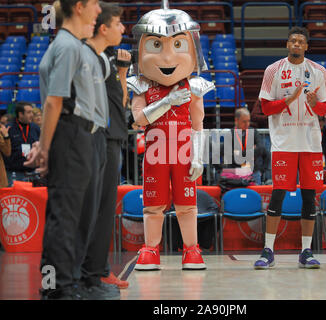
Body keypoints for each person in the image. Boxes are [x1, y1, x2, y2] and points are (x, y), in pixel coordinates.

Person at [24, 0, 102, 300]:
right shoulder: (68, 47)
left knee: (66, 215)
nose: (98, 11)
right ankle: (59, 289)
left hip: (71, 134)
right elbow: (54, 101)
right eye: (95, 4)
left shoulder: (64, 43)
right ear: (79, 7)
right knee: (65, 217)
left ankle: (58, 285)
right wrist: (43, 147)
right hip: (71, 134)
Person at [128, 0, 214, 270]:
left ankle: (191, 250)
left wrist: (199, 157)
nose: (167, 58)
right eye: (156, 46)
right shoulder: (141, 85)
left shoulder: (195, 86)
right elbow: (138, 119)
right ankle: (151, 249)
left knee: (187, 205)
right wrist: (167, 102)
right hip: (155, 150)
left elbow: (199, 124)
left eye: (177, 45)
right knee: (153, 205)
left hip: (184, 150)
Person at [254, 26, 326, 269]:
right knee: (278, 194)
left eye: (301, 41)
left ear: (307, 46)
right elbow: (266, 109)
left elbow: (325, 111)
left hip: (310, 143)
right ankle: (268, 250)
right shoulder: (273, 70)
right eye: (293, 41)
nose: (297, 44)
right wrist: (289, 99)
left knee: (309, 197)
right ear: (287, 44)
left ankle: (306, 251)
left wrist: (314, 103)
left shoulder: (318, 71)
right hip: (284, 142)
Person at [79, 2, 130, 291]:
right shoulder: (91, 57)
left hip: (113, 138)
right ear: (103, 27)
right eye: (119, 23)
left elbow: (119, 101)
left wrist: (123, 72)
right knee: (97, 207)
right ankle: (93, 270)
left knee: (105, 206)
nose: (123, 29)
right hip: (101, 138)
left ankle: (96, 268)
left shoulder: (108, 59)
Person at [217, 108, 267, 185]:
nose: (247, 124)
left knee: (255, 195)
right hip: (235, 172)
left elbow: (261, 150)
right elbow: (230, 156)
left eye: (249, 121)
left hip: (253, 172)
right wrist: (251, 152)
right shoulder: (230, 135)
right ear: (236, 120)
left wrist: (262, 170)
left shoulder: (254, 132)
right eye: (244, 121)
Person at [4, 102, 40, 185]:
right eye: (29, 112)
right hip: (14, 173)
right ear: (20, 114)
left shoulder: (35, 128)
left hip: (33, 173)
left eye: (32, 112)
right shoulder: (9, 129)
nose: (32, 115)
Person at [250, 99, 272, 182]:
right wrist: (270, 118)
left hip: (281, 134)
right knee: (266, 154)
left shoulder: (285, 99)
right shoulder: (262, 99)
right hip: (266, 134)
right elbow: (254, 116)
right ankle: (266, 179)